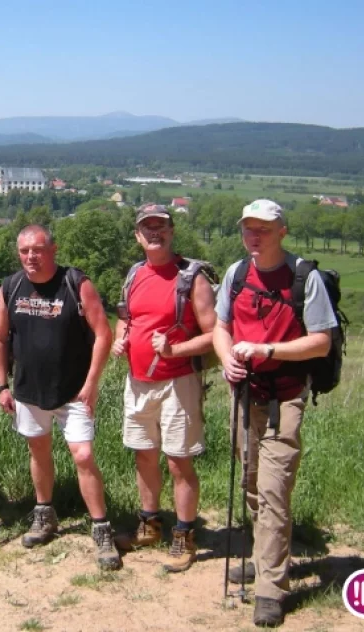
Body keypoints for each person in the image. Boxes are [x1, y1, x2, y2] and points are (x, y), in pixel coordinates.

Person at [213, 200, 337, 627]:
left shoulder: (305, 277)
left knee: (273, 491)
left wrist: (269, 350)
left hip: (285, 398)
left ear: (282, 230)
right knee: (251, 481)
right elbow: (220, 326)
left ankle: (270, 588)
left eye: (263, 228)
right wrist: (226, 356)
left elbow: (321, 341)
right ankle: (262, 557)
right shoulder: (235, 274)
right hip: (246, 395)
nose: (255, 235)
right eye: (248, 227)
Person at [0, 224, 122, 570]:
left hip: (73, 391)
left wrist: (92, 382)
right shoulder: (11, 286)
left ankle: (101, 528)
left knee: (83, 455)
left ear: (53, 249)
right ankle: (44, 513)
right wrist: (2, 385)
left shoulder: (76, 283)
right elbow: (1, 339)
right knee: (38, 449)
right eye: (24, 251)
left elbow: (103, 334)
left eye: (37, 250)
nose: (30, 257)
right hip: (28, 389)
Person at [111, 205, 216, 573]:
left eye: (161, 227)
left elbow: (214, 334)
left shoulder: (192, 277)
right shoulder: (135, 273)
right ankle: (150, 525)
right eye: (146, 228)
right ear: (137, 235)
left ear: (172, 231)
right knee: (143, 453)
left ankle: (184, 535)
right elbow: (126, 318)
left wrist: (176, 350)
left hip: (178, 382)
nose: (154, 233)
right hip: (138, 380)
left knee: (178, 460)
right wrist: (119, 341)